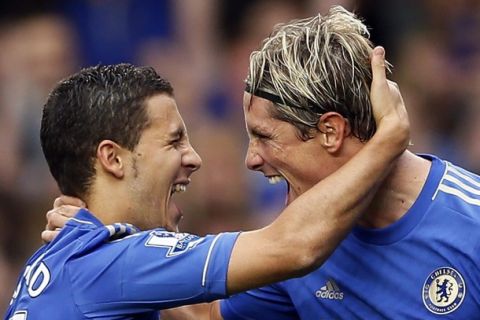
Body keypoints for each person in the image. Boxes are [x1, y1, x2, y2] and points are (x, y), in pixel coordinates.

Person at [45, 5, 480, 319]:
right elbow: (206, 317)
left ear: (330, 131)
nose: (251, 159)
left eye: (265, 137)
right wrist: (112, 237)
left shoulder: (470, 224)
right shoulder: (297, 239)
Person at [5, 47, 407, 319]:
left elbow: (202, 314)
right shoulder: (110, 261)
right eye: (174, 140)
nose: (194, 157)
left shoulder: (80, 260)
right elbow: (295, 247)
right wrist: (389, 136)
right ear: (113, 158)